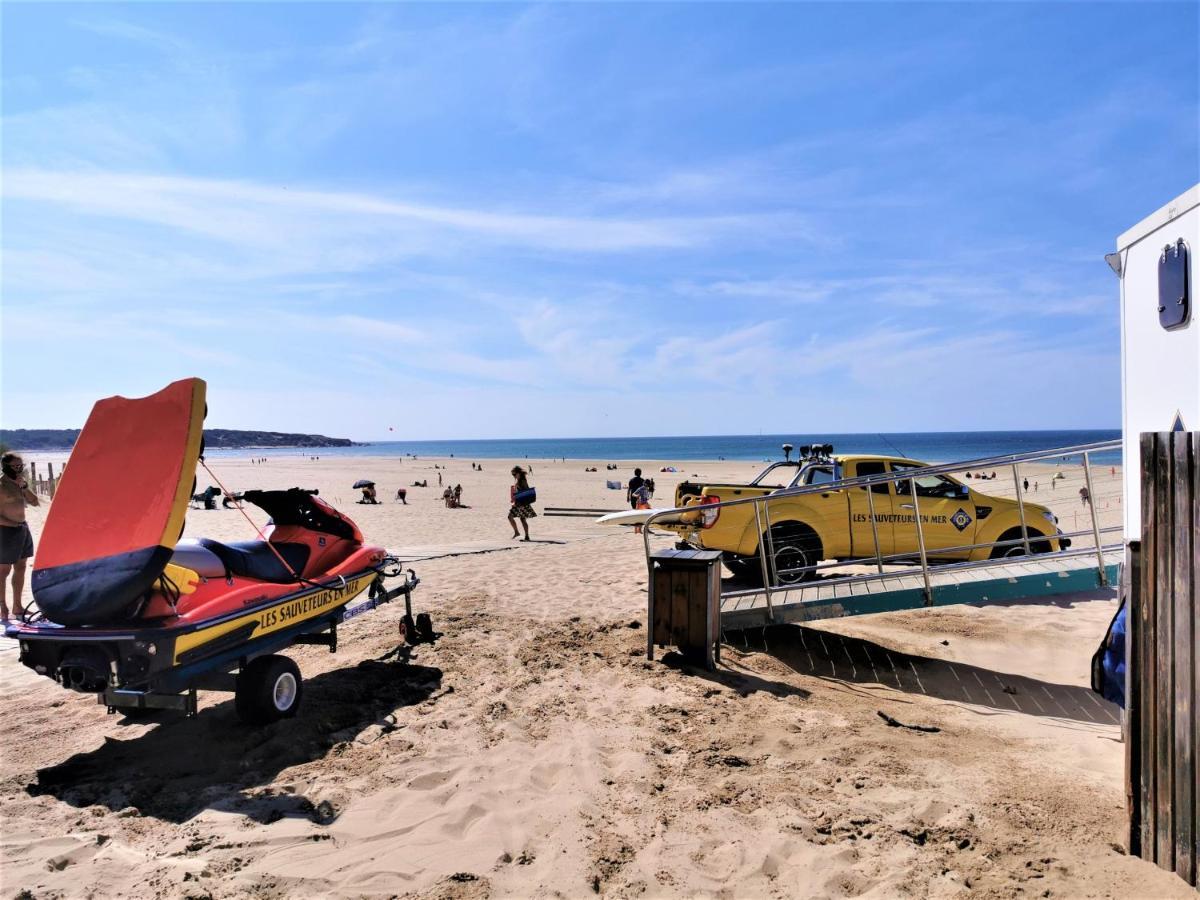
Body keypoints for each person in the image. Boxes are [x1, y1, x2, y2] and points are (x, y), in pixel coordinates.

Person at [0, 452, 39, 620]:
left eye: (21, 465)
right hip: (5, 530)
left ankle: (18, 606)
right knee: (3, 570)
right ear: (5, 466)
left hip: (22, 528)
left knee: (21, 567)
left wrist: (24, 487)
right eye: (15, 466)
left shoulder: (20, 483)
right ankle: (3, 606)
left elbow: (35, 501)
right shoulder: (1, 485)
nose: (19, 468)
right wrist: (8, 523)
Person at [508, 466, 536, 540]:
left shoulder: (522, 480)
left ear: (518, 473)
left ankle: (524, 535)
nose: (514, 476)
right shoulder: (520, 480)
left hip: (522, 503)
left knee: (518, 518)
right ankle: (520, 533)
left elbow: (526, 490)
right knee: (517, 518)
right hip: (519, 502)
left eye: (514, 474)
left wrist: (517, 490)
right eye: (513, 475)